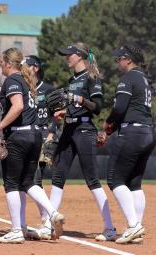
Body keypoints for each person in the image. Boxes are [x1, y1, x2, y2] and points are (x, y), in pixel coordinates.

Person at [0, 48, 65, 244]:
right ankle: (52, 213)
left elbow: (17, 106)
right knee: (28, 182)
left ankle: (17, 230)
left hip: (19, 136)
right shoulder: (26, 82)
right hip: (35, 135)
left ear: (9, 64)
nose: (0, 65)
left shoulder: (13, 81)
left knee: (11, 183)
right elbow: (4, 93)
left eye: (1, 62)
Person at [48, 42, 116, 241]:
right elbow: (75, 106)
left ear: (79, 56)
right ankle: (48, 224)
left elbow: (97, 107)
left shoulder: (91, 78)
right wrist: (64, 111)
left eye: (69, 54)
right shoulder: (72, 79)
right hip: (69, 129)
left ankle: (110, 228)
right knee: (58, 177)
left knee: (92, 179)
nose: (66, 57)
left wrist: (78, 99)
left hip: (85, 130)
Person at [103, 45, 155, 244]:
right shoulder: (143, 79)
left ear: (128, 59)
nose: (118, 62)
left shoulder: (128, 78)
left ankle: (133, 225)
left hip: (132, 133)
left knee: (115, 180)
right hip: (147, 132)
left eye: (119, 59)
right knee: (134, 183)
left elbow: (120, 108)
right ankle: (137, 227)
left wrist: (108, 124)